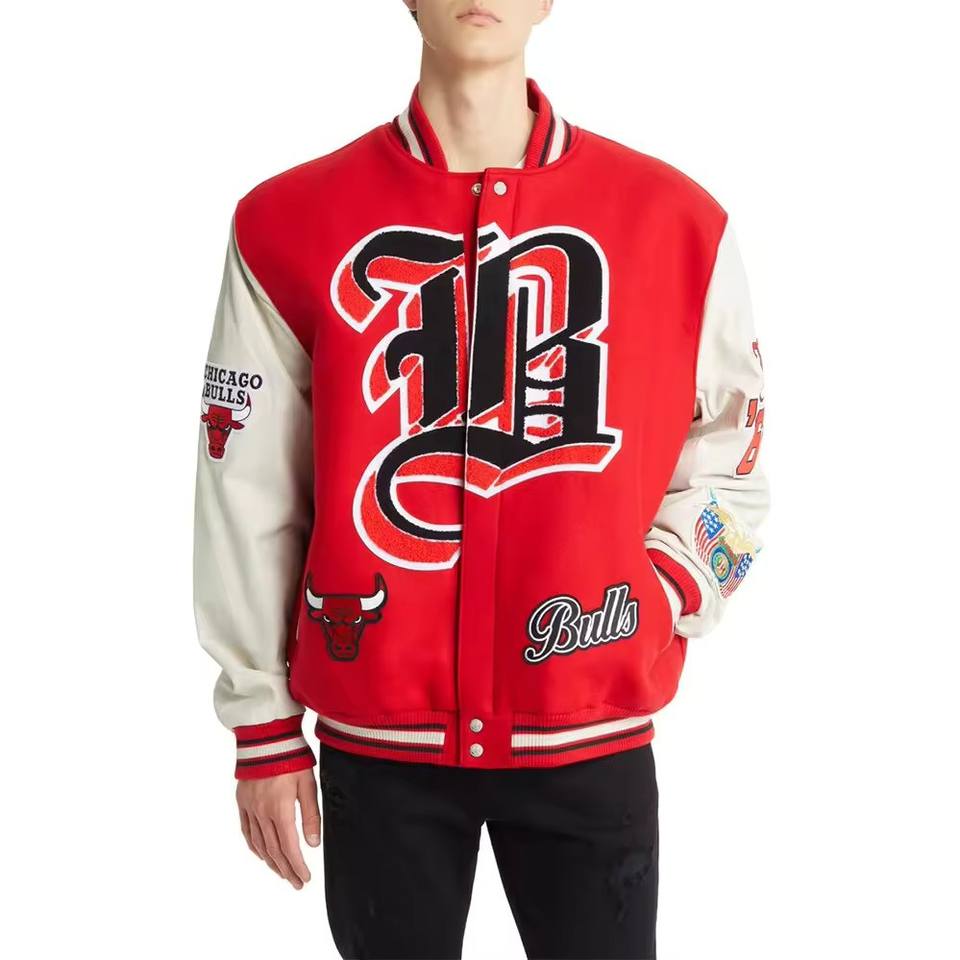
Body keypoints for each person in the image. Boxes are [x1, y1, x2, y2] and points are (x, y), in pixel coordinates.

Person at [193, 1, 769, 957]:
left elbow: (735, 462)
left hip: (591, 729)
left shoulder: (677, 222)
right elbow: (246, 482)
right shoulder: (286, 223)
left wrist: (664, 594)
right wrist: (262, 719)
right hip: (379, 747)